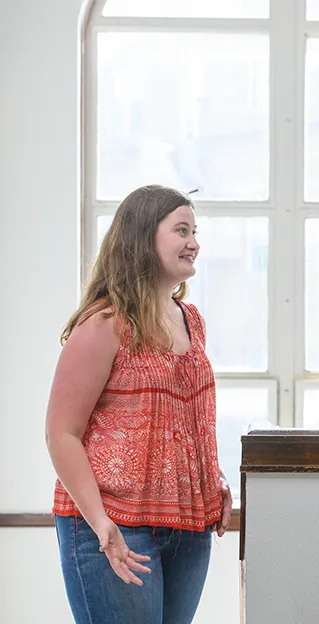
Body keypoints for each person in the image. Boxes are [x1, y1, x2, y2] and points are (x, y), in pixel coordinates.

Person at [46, 185, 233, 623]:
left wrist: (213, 477)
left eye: (195, 231)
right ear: (143, 237)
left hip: (188, 527)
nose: (194, 243)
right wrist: (100, 525)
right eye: (181, 230)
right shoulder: (105, 323)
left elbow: (182, 422)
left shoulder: (192, 321)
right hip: (113, 525)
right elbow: (61, 433)